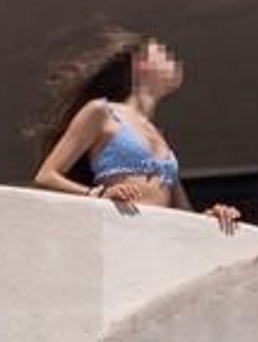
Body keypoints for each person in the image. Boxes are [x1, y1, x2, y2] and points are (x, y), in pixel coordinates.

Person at [31, 27, 241, 232]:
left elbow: (183, 211)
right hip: (119, 231)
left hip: (157, 239)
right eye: (162, 52)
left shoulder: (159, 137)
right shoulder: (102, 112)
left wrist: (212, 216)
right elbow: (46, 175)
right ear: (141, 63)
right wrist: (96, 194)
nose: (173, 60)